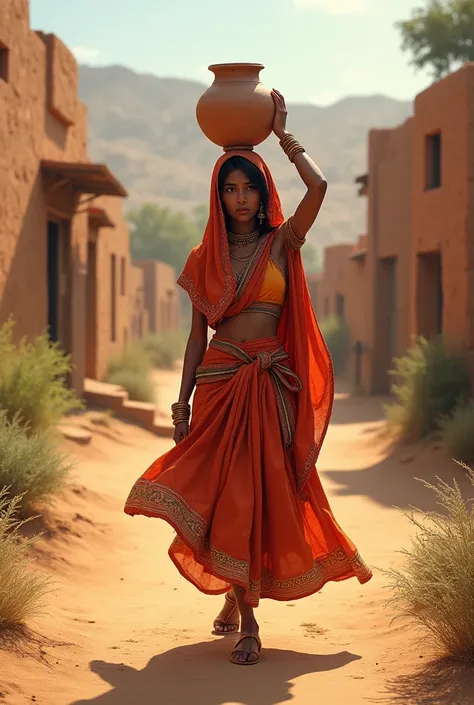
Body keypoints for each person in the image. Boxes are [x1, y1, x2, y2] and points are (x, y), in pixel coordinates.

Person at [124, 89, 372, 666]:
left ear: (263, 192)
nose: (240, 198)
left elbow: (320, 189)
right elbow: (195, 337)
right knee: (230, 496)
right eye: (229, 189)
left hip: (269, 385)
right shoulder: (200, 258)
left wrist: (284, 134)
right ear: (218, 196)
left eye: (249, 187)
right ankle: (249, 621)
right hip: (218, 384)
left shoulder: (281, 244)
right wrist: (181, 403)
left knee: (265, 493)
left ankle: (237, 600)